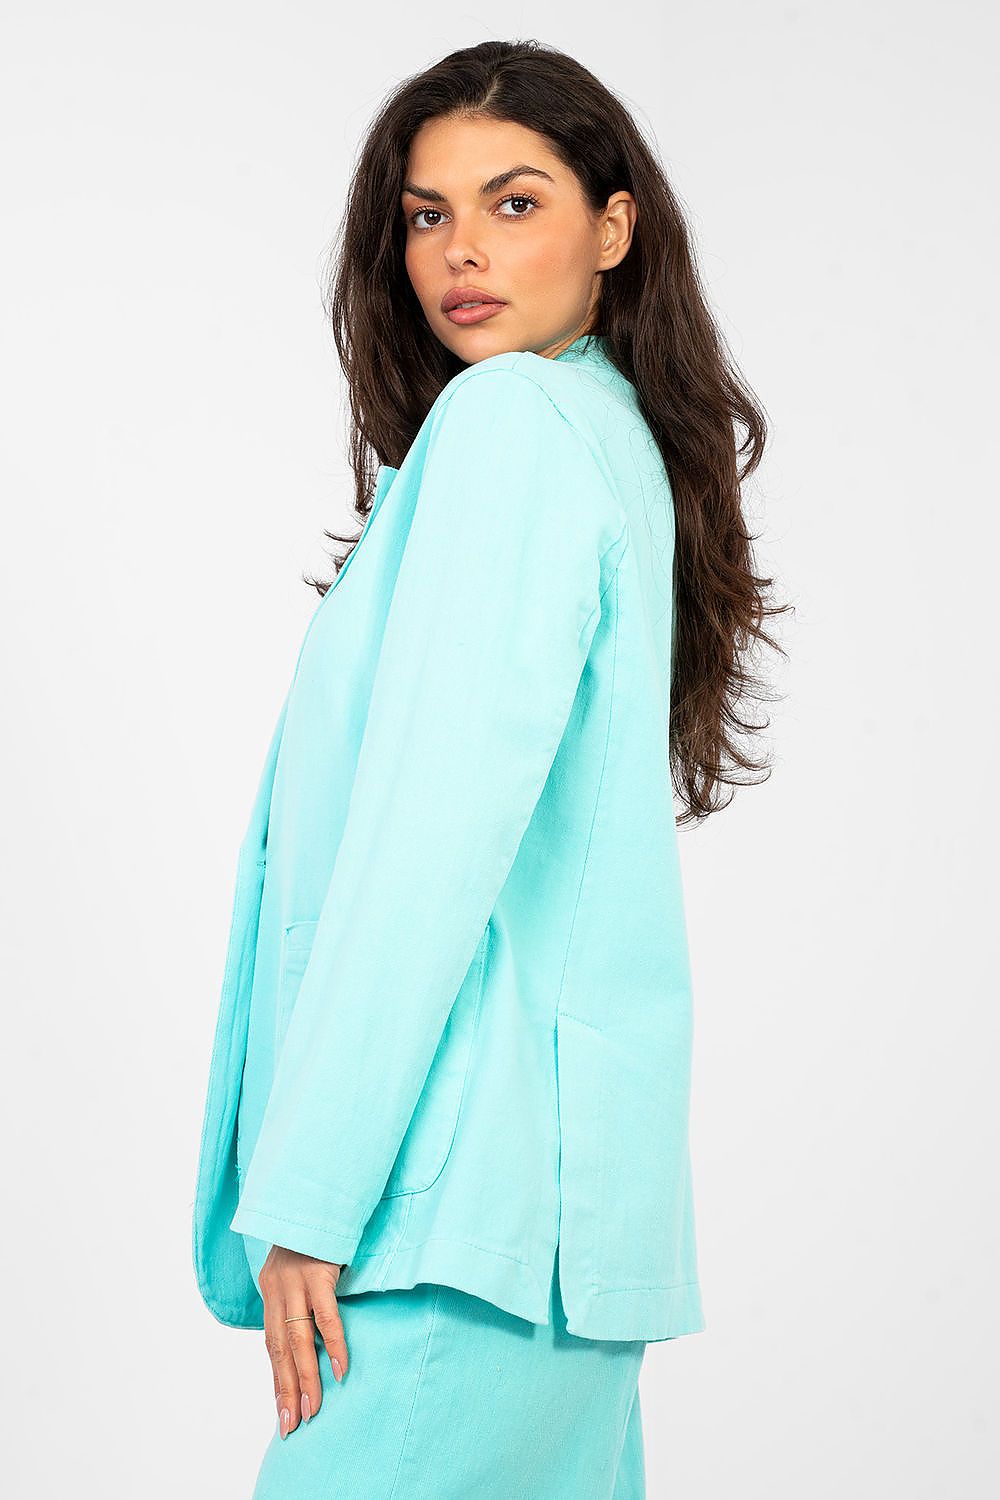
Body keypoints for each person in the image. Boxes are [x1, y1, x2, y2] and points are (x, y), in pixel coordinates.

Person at [191, 37, 785, 1500]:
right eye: (426, 214)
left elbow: (428, 847)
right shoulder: (612, 438)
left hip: (448, 1214)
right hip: (554, 1239)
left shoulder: (515, 425)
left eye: (515, 203)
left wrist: (312, 1192)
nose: (460, 250)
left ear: (614, 226)